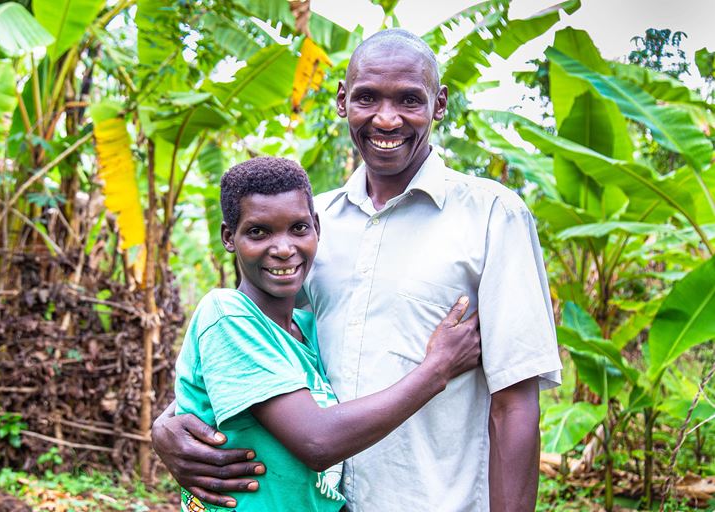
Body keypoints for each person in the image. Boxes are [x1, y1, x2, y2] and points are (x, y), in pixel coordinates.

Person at [154, 29, 562, 512]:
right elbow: (261, 345)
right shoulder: (309, 226)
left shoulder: (493, 216)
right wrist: (168, 425)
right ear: (344, 101)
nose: (386, 119)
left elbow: (515, 405)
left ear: (439, 104)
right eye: (368, 97)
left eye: (409, 99)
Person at [174, 156, 480, 511]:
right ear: (230, 237)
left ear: (317, 227)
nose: (284, 248)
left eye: (298, 228)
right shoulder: (226, 315)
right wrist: (437, 368)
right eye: (259, 231)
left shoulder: (308, 331)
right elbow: (318, 442)